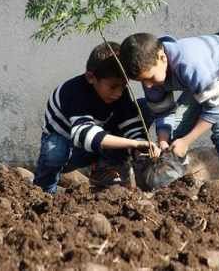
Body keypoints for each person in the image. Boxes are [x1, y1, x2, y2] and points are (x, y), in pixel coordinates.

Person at [120, 32, 219, 190]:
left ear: (162, 57)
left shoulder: (189, 65)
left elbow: (215, 109)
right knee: (176, 134)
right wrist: (163, 140)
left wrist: (186, 141)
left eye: (151, 78)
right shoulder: (151, 74)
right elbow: (162, 111)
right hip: (205, 80)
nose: (148, 86)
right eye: (142, 81)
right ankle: (177, 189)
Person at [33, 42, 160, 194]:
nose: (119, 93)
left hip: (97, 141)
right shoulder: (74, 92)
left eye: (124, 86)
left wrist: (140, 149)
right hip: (70, 145)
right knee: (55, 152)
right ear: (91, 77)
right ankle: (44, 191)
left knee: (145, 107)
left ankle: (107, 172)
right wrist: (134, 143)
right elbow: (84, 135)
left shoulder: (120, 94)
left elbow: (130, 126)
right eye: (113, 87)